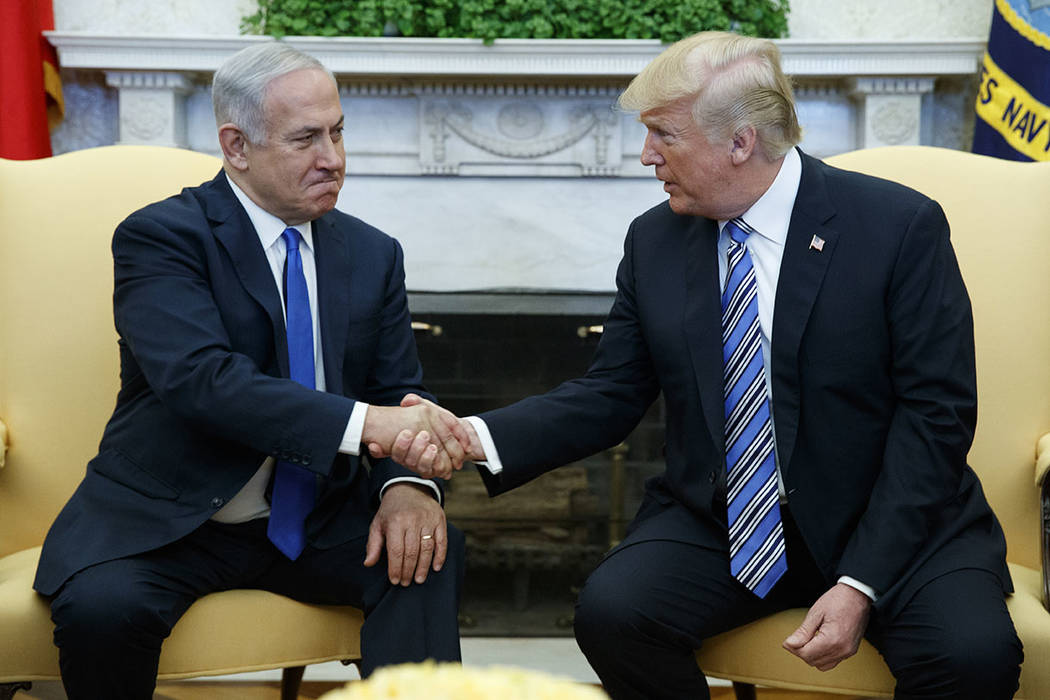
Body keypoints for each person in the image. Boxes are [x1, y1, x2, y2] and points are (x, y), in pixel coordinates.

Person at [395, 31, 1023, 700]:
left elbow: (938, 417)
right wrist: (473, 437)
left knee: (973, 656)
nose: (646, 156)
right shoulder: (656, 240)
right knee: (614, 614)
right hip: (727, 522)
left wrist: (860, 583)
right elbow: (611, 392)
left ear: (740, 142)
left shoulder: (898, 229)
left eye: (664, 135)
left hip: (893, 519)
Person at [34, 42, 470, 700]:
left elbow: (397, 393)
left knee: (427, 555)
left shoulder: (373, 254)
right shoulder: (163, 237)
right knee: (103, 609)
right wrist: (368, 423)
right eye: (306, 139)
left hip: (319, 517)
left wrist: (407, 486)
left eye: (338, 131)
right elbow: (201, 381)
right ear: (236, 146)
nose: (334, 158)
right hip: (173, 519)